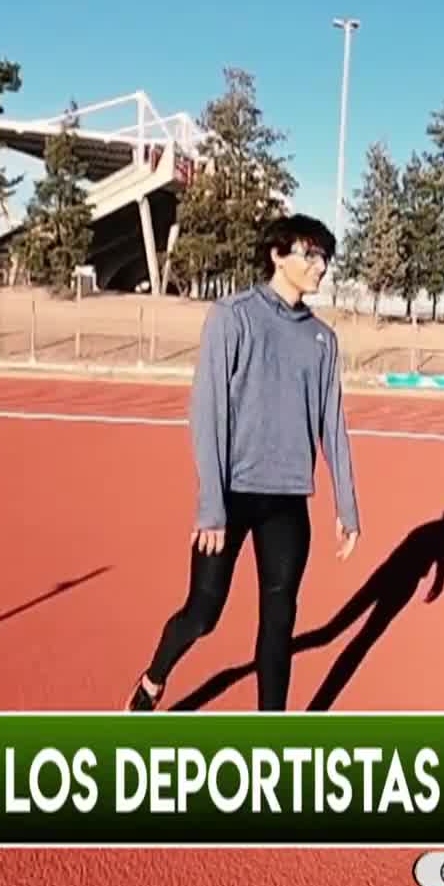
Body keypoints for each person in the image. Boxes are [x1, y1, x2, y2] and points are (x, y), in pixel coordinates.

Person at [126, 213, 361, 713]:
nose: (321, 267)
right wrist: (211, 505)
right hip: (232, 497)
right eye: (311, 254)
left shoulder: (323, 340)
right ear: (279, 256)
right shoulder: (232, 316)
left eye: (325, 257)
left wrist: (347, 504)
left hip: (288, 500)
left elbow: (331, 421)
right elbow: (207, 410)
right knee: (204, 612)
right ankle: (152, 680)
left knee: (279, 621)